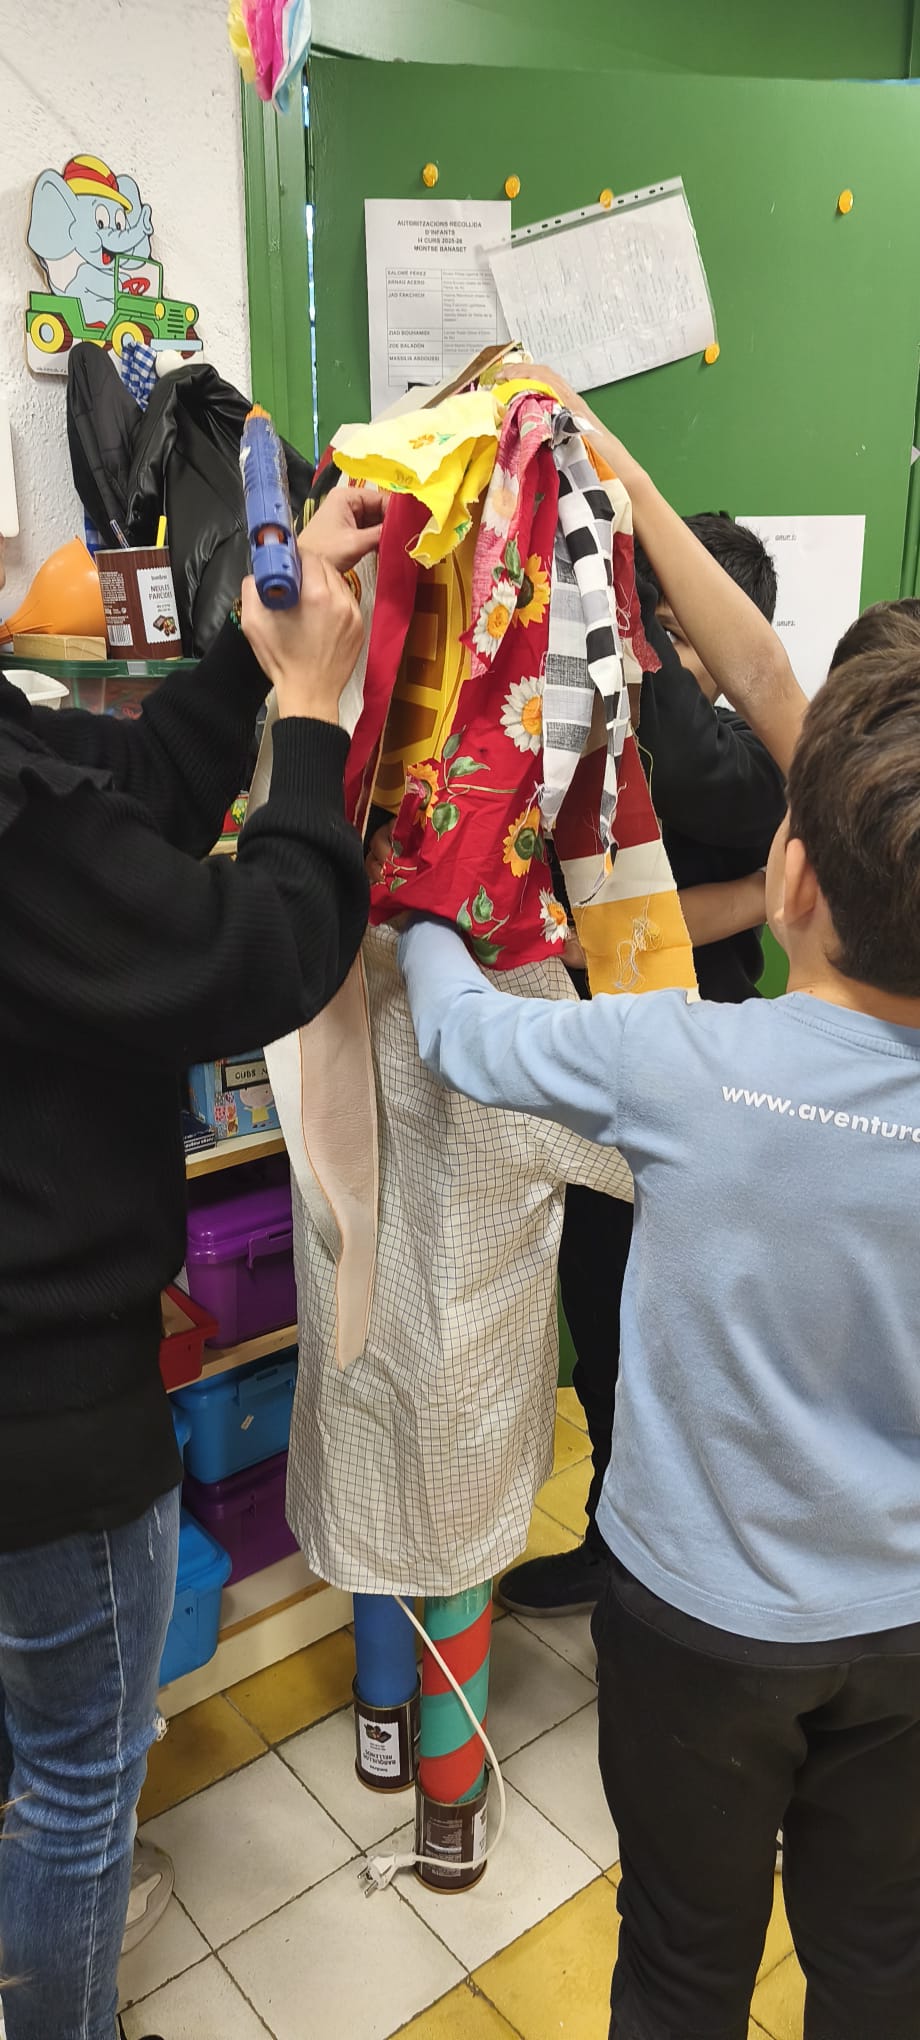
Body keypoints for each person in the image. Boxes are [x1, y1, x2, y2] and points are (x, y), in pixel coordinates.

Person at [399, 420, 920, 2040]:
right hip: (906, 1626)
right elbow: (768, 677)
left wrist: (423, 896)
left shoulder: (681, 1064)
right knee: (881, 1966)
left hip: (697, 1629)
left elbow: (461, 1036)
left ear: (793, 879)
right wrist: (616, 489)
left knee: (684, 1967)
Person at [0, 483, 382, 2040]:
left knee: (33, 1750)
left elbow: (129, 790)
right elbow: (259, 946)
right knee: (80, 1773)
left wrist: (245, 657)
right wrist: (314, 717)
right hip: (42, 1396)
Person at [500, 497, 787, 1617]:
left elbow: (702, 787)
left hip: (707, 1090)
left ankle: (688, 1564)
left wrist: (639, 605)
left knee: (686, 1339)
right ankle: (613, 1543)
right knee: (601, 1320)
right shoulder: (595, 736)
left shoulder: (753, 761)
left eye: (666, 633)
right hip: (607, 1082)